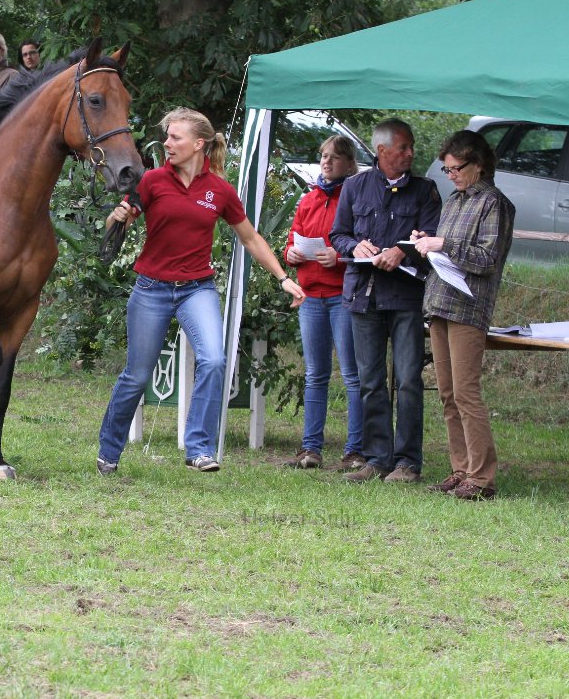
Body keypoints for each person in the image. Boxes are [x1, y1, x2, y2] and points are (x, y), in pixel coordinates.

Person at [97, 107, 306, 475]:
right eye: (167, 137)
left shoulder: (219, 190)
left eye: (174, 137)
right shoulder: (151, 181)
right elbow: (123, 220)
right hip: (151, 289)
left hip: (198, 288)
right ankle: (109, 452)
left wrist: (283, 277)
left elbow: (251, 238)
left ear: (199, 144)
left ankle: (199, 448)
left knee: (214, 360)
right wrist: (117, 218)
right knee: (137, 375)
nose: (167, 143)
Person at [330, 118, 442, 484]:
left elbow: (431, 237)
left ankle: (408, 462)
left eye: (410, 148)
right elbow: (338, 234)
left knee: (408, 379)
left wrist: (402, 252)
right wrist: (354, 245)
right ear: (383, 151)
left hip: (406, 297)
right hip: (364, 296)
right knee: (370, 380)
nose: (411, 153)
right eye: (404, 148)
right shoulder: (354, 187)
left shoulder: (426, 191)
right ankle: (377, 459)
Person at [412, 130, 515, 501]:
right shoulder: (454, 201)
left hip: (469, 308)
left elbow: (487, 259)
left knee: (467, 393)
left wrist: (445, 244)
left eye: (456, 168)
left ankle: (482, 478)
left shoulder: (495, 204)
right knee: (447, 393)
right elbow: (453, 252)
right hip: (440, 302)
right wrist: (428, 243)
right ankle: (461, 470)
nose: (450, 174)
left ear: (479, 165)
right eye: (446, 168)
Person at [282, 135, 364, 470]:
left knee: (352, 375)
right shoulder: (309, 200)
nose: (326, 162)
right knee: (315, 373)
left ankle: (355, 450)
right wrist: (290, 253)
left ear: (349, 163)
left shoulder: (356, 197)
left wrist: (341, 257)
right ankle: (310, 448)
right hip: (311, 295)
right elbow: (292, 239)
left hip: (342, 295)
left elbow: (363, 244)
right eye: (323, 156)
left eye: (334, 157)